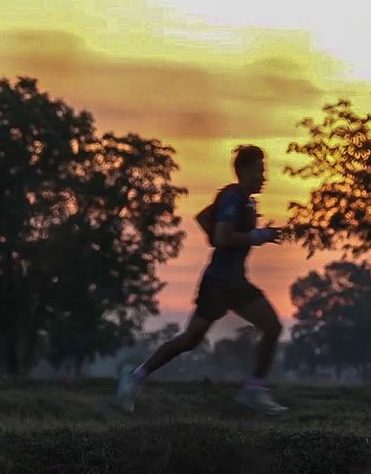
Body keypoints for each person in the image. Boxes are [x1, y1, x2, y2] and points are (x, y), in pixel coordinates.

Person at [115, 144, 288, 415]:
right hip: (226, 282)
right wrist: (255, 237)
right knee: (273, 327)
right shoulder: (233, 197)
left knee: (190, 340)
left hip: (222, 282)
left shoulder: (244, 200)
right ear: (243, 171)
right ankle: (254, 391)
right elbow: (221, 236)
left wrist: (245, 236)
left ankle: (135, 377)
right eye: (259, 171)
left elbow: (204, 218)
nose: (263, 177)